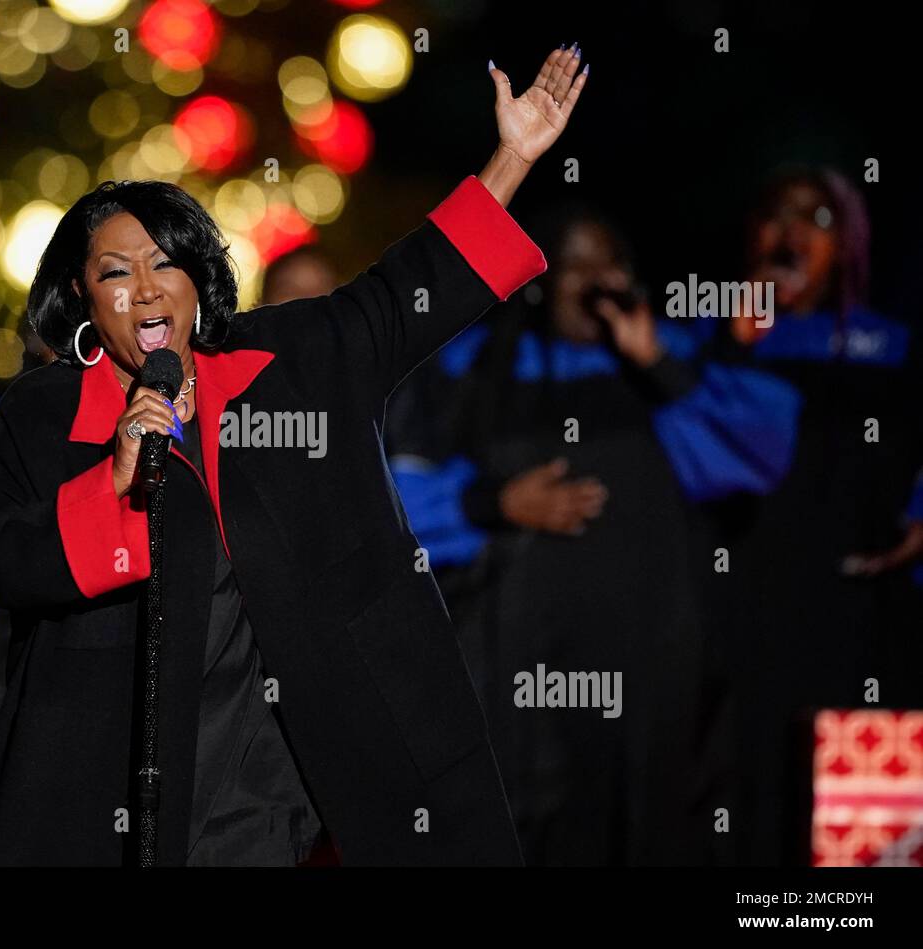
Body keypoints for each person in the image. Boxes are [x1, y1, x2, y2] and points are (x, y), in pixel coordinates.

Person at [0, 46, 588, 866]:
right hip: (122, 777)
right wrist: (111, 480)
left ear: (198, 277)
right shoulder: (44, 414)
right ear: (81, 296)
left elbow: (412, 292)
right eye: (116, 271)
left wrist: (513, 155)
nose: (145, 288)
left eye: (166, 262)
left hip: (302, 768)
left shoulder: (295, 359)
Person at [387, 204, 802, 864]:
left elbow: (764, 454)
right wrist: (492, 500)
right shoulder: (471, 369)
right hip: (516, 662)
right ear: (542, 278)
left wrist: (660, 363)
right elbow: (394, 503)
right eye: (575, 263)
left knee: (650, 828)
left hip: (654, 665)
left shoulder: (673, 354)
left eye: (609, 262)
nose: (596, 279)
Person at [709, 165, 923, 863]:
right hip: (741, 617)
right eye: (778, 216)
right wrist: (736, 342)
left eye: (819, 219)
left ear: (852, 244)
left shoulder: (891, 347)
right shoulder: (711, 345)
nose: (794, 234)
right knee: (744, 816)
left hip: (861, 615)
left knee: (861, 834)